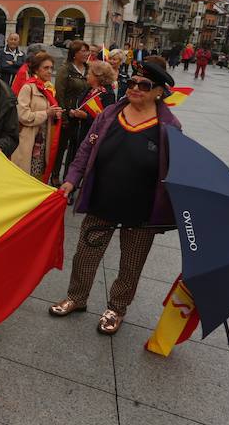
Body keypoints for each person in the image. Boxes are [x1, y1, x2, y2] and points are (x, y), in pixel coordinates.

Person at [49, 59, 182, 335]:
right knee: (86, 253)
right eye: (132, 82)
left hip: (142, 212)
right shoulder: (110, 113)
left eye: (144, 85)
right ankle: (77, 297)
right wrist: (72, 180)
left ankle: (116, 309)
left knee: (130, 265)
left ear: (159, 91)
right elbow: (86, 149)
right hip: (102, 200)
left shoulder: (169, 127)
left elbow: (178, 170)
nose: (135, 88)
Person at [11, 51, 62, 179]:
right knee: (24, 177)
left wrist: (55, 114)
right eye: (46, 68)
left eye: (51, 68)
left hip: (41, 140)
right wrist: (46, 113)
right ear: (36, 70)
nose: (50, 71)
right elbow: (23, 115)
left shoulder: (46, 88)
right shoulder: (28, 88)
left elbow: (47, 112)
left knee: (37, 175)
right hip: (28, 140)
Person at [53, 40, 90, 183]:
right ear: (75, 54)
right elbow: (60, 94)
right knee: (61, 147)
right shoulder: (66, 69)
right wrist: (64, 115)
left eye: (87, 51)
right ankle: (55, 175)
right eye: (83, 51)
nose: (86, 54)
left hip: (82, 116)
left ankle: (69, 179)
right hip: (67, 115)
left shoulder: (88, 69)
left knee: (76, 150)